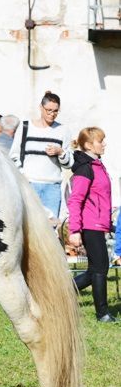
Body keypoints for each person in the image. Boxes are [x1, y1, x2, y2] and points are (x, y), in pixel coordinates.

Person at [67, 127, 115, 323]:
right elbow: (75, 200)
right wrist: (75, 230)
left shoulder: (98, 165)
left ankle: (61, 292)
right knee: (100, 268)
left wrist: (108, 222)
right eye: (100, 141)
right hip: (89, 225)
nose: (104, 144)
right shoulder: (85, 168)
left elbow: (101, 198)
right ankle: (102, 313)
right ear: (88, 145)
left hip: (97, 224)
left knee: (94, 270)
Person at [9, 92, 73, 219]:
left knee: (50, 226)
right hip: (29, 185)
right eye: (49, 110)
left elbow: (69, 164)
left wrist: (60, 152)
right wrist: (23, 176)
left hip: (52, 188)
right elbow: (13, 156)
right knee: (28, 225)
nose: (52, 114)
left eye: (55, 111)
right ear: (41, 107)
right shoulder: (25, 127)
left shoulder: (63, 130)